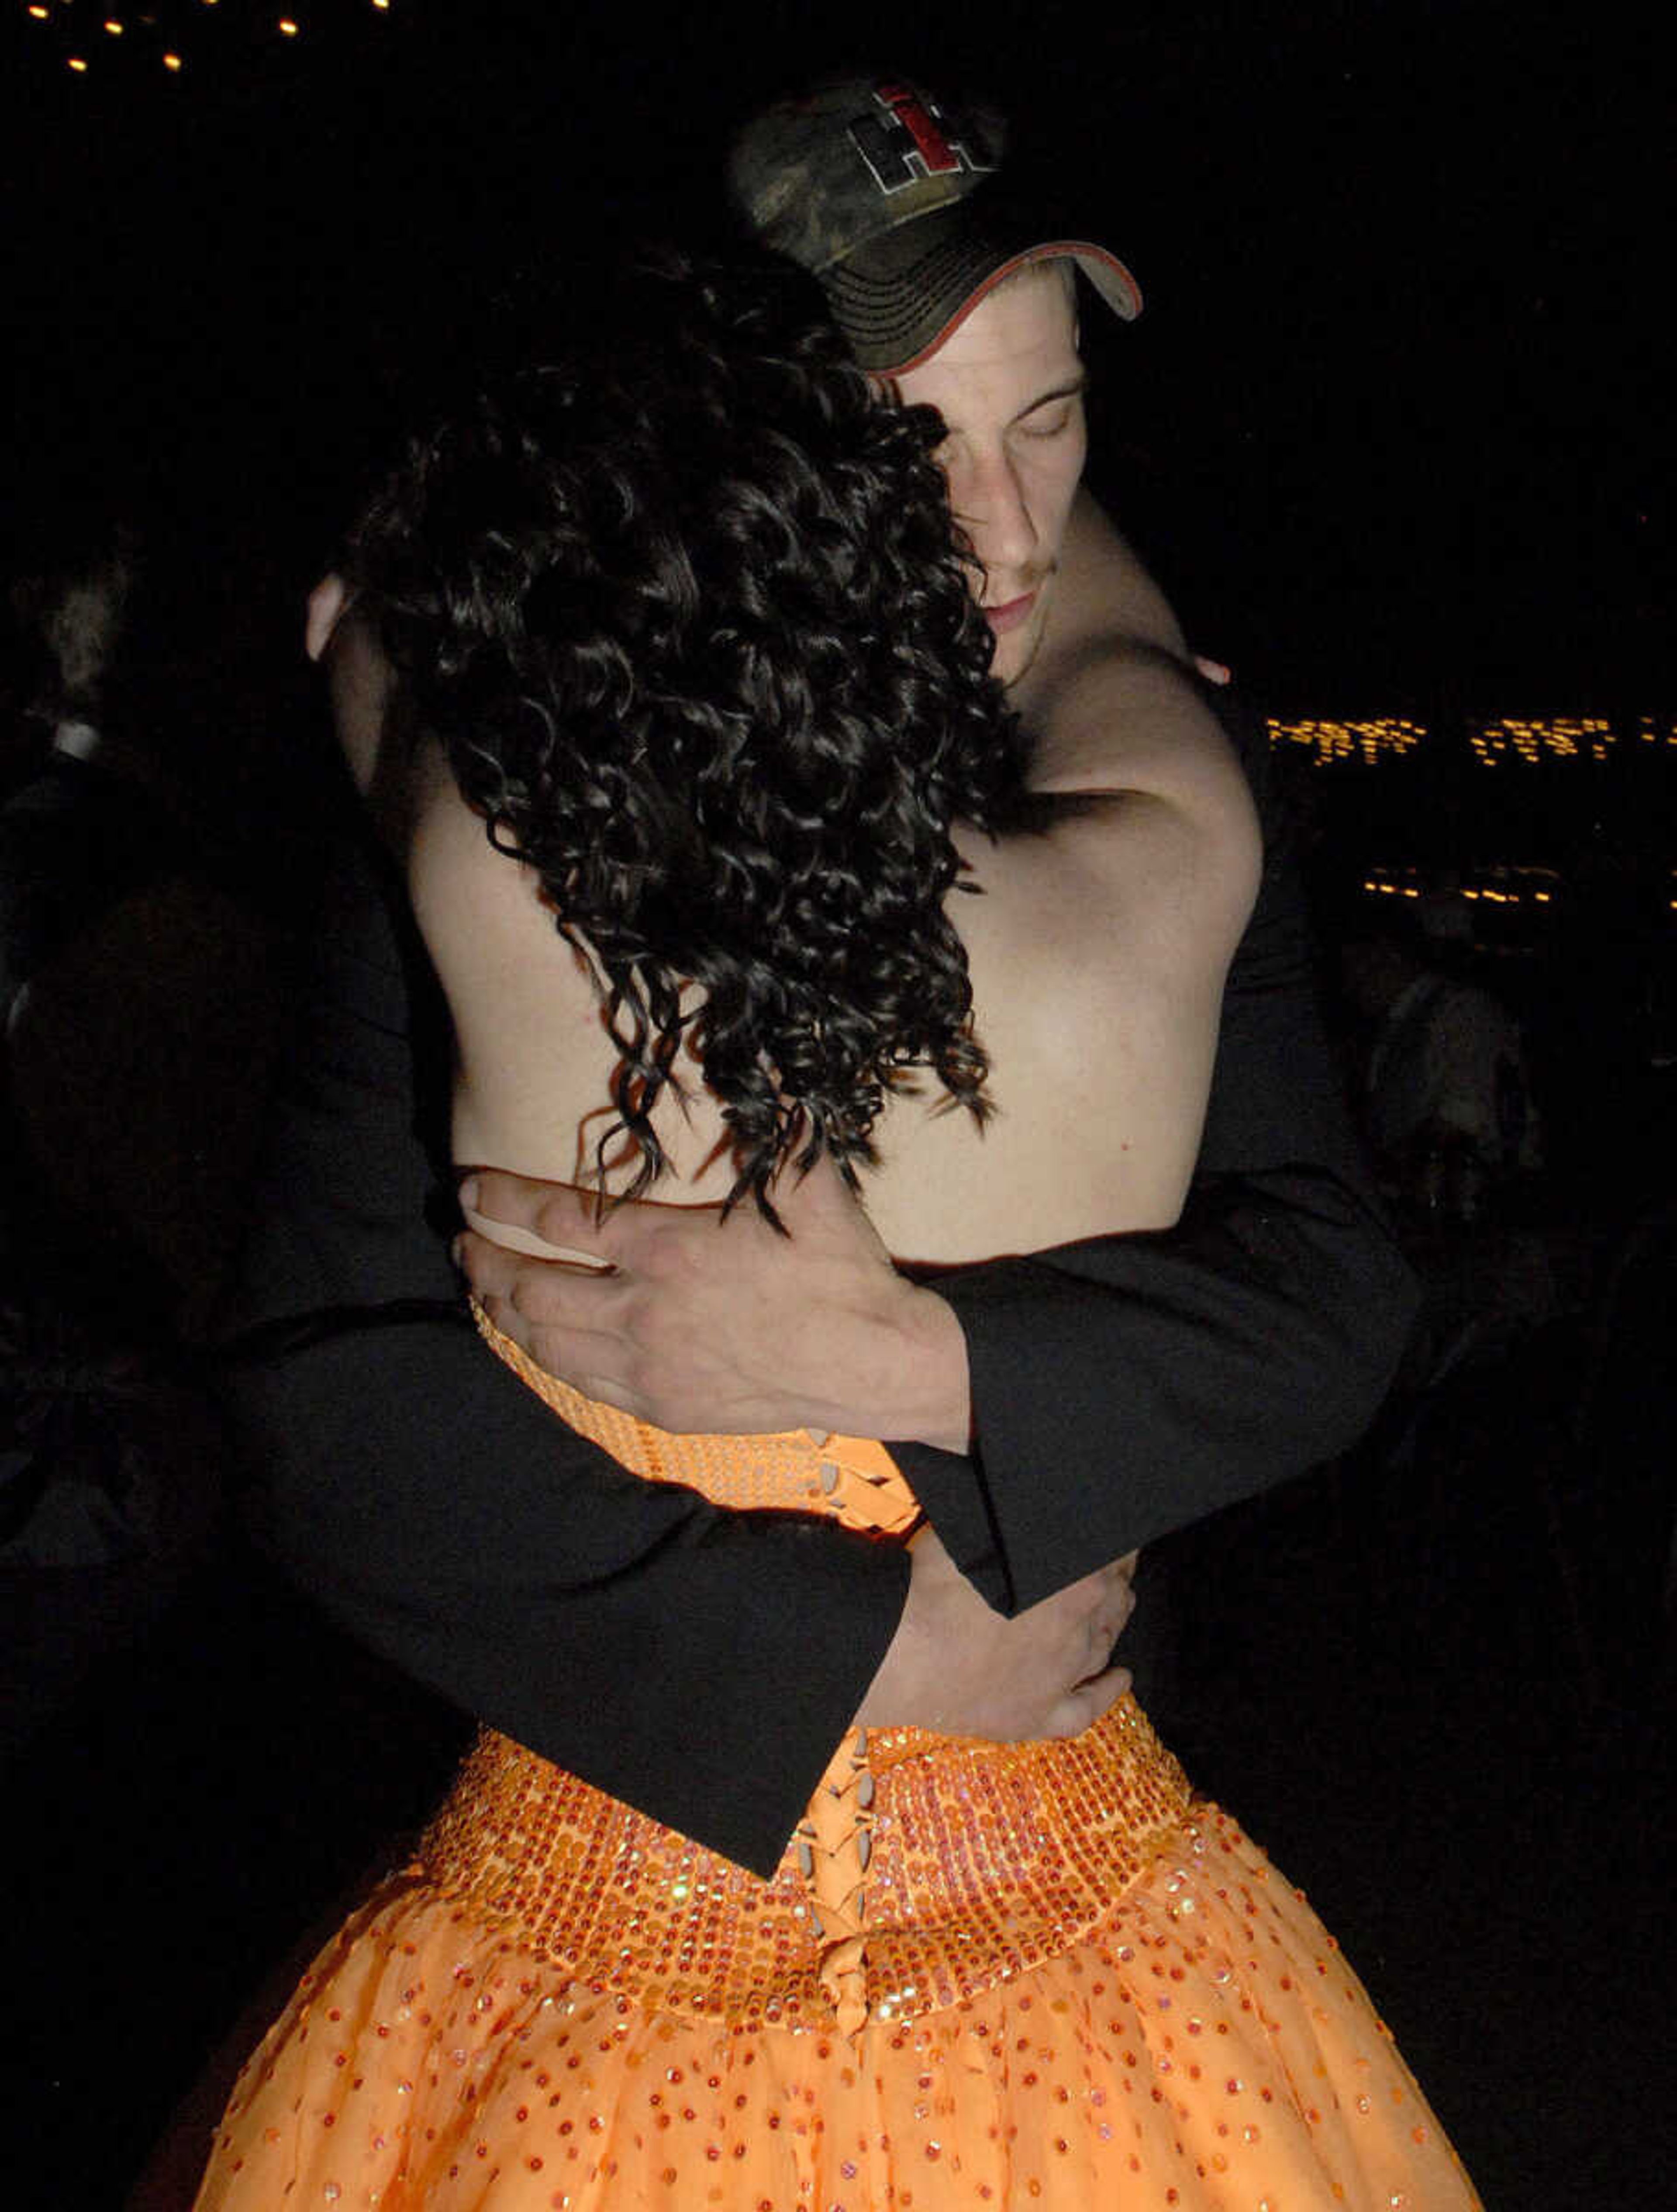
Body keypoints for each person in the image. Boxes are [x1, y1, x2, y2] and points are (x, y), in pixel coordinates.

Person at [193, 250, 1473, 2211]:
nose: (1012, 527)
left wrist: (916, 1361)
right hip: (660, 1849)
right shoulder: (1168, 819)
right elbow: (327, 1397)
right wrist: (853, 1655)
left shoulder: (462, 812)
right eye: (919, 446)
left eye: (1053, 420)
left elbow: (1329, 1293)